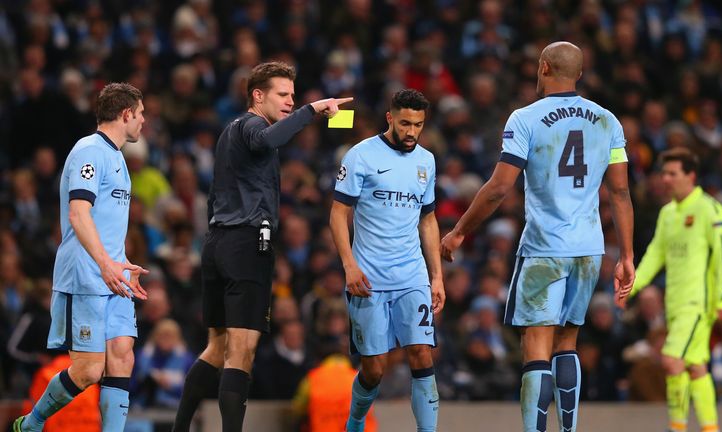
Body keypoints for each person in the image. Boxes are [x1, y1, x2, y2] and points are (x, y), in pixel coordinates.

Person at [440, 41, 635, 432]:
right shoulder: (608, 121)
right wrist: (627, 255)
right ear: (578, 74)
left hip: (545, 247)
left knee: (536, 347)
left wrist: (460, 231)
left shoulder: (525, 118)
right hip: (589, 249)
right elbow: (620, 193)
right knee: (568, 343)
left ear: (543, 67)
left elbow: (499, 188)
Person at [172, 61, 352, 432]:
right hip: (247, 243)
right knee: (242, 351)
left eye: (293, 95)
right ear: (258, 95)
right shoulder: (253, 126)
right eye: (283, 95)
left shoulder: (230, 132)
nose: (290, 101)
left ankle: (180, 427)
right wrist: (312, 110)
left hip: (219, 241)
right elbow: (267, 139)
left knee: (217, 348)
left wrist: (326, 120)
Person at [13, 83, 150, 432]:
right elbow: (78, 214)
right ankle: (32, 423)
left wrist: (121, 264)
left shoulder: (118, 158)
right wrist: (105, 264)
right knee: (89, 370)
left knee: (123, 354)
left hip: (113, 277)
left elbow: (104, 225)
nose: (144, 121)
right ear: (126, 114)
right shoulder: (89, 151)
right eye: (141, 113)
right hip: (86, 276)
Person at [329, 88, 445, 432]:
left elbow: (428, 220)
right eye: (406, 123)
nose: (412, 132)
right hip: (369, 278)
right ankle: (355, 422)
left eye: (419, 125)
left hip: (412, 275)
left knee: (422, 354)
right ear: (390, 118)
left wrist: (436, 276)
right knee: (374, 368)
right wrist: (349, 265)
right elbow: (338, 215)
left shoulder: (427, 160)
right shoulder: (360, 156)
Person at [621, 147, 722, 432]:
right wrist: (631, 286)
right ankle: (710, 428)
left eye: (672, 173)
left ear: (691, 175)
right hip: (674, 303)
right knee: (695, 366)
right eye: (664, 173)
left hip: (698, 303)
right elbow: (654, 256)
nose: (666, 179)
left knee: (671, 360)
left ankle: (677, 427)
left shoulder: (710, 209)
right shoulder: (668, 213)